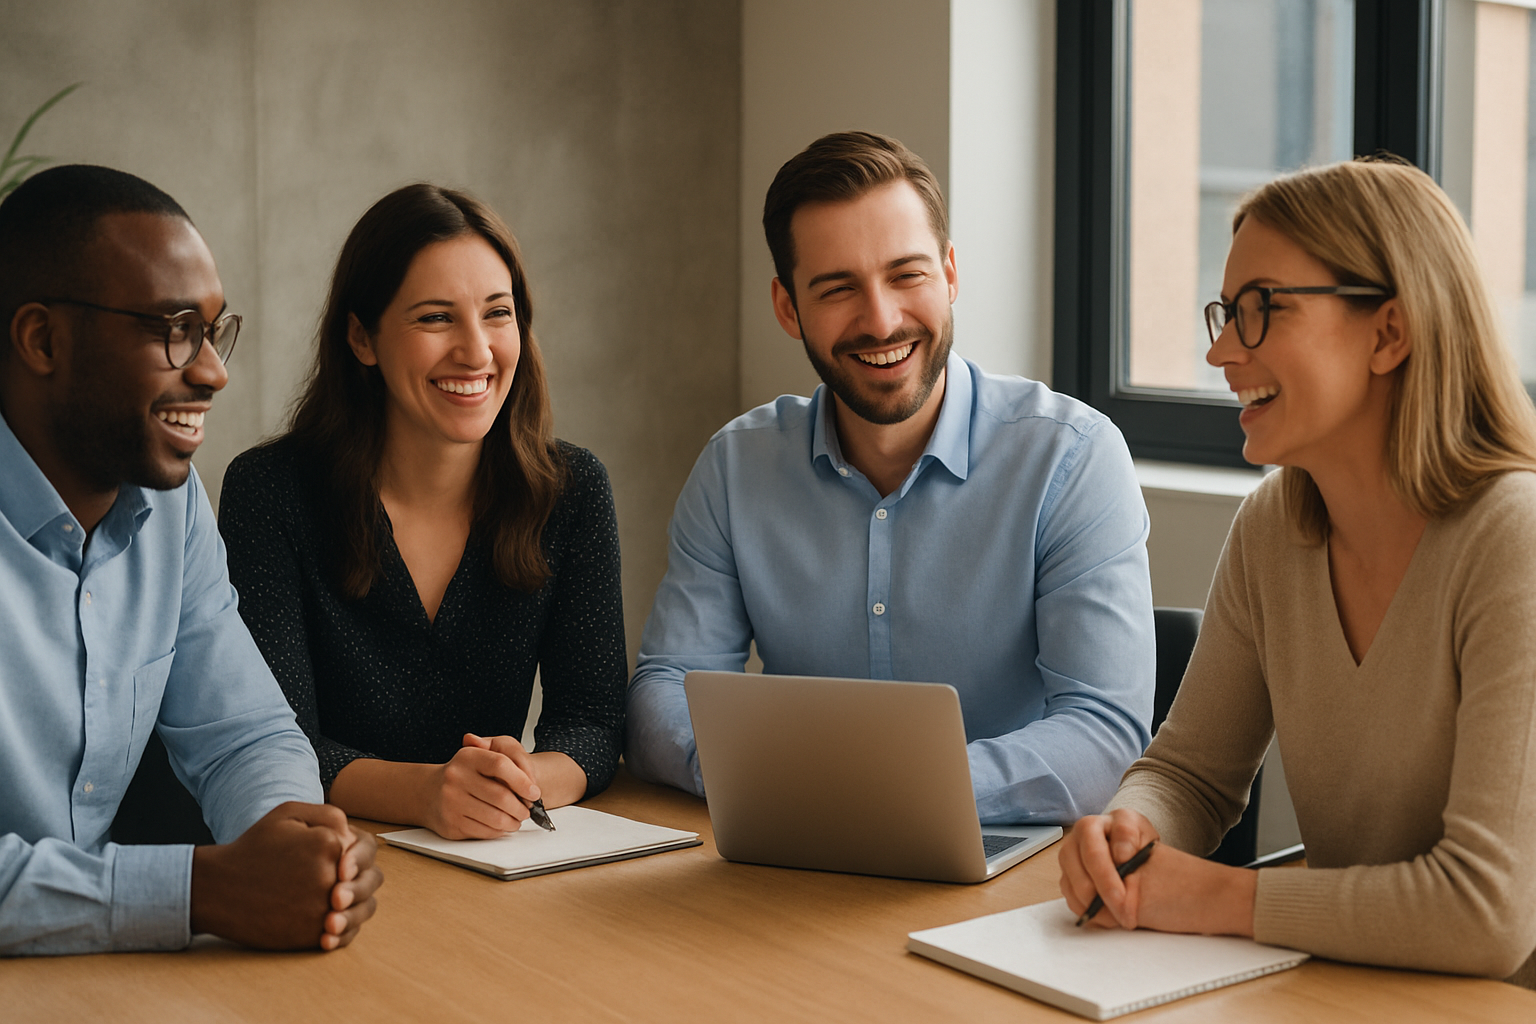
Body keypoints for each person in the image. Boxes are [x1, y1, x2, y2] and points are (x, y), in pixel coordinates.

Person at [1057, 157, 1536, 984]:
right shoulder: (1274, 528)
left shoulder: (1514, 540)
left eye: (1260, 311)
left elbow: (1487, 915)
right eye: (1225, 312)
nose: (1218, 350)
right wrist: (1128, 832)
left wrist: (1216, 900)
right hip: (1355, 989)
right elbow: (1190, 774)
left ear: (1389, 331)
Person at [626, 131, 1155, 824]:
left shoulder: (1072, 458)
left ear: (951, 273)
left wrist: (883, 791)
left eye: (907, 275)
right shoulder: (735, 469)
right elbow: (665, 690)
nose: (881, 320)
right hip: (796, 855)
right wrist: (778, 780)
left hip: (1003, 873)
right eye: (838, 288)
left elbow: (1104, 736)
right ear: (788, 308)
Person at [0, 164, 382, 955]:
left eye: (213, 329)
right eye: (174, 328)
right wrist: (200, 891)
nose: (212, 371)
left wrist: (298, 845)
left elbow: (243, 732)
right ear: (42, 339)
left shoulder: (171, 504)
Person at [218, 184, 626, 840]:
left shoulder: (571, 491)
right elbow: (274, 743)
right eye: (436, 318)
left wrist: (515, 781)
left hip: (495, 859)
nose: (477, 351)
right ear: (362, 337)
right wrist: (429, 792)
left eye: (498, 314)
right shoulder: (270, 492)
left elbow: (593, 725)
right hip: (326, 854)